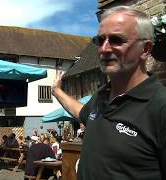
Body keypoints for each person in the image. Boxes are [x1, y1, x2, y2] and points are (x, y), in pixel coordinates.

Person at [52, 6, 166, 179]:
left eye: (116, 39)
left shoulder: (160, 106)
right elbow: (81, 112)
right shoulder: (101, 95)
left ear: (145, 49)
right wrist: (57, 91)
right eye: (100, 40)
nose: (104, 49)